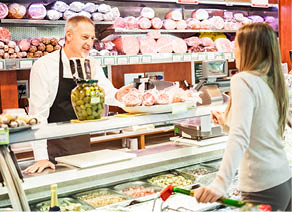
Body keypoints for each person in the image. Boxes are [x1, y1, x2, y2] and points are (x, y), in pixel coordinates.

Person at [194, 23, 292, 211]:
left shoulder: (243, 79)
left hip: (261, 188)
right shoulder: (272, 80)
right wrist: (226, 123)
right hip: (284, 182)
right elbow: (261, 130)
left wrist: (220, 184)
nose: (234, 50)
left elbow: (240, 136)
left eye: (236, 45)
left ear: (248, 49)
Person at [24, 16, 131, 174]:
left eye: (92, 38)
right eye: (85, 37)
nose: (89, 43)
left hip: (81, 143)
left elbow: (106, 92)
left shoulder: (91, 64)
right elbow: (38, 115)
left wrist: (119, 95)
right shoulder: (45, 66)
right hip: (52, 149)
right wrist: (41, 157)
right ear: (69, 35)